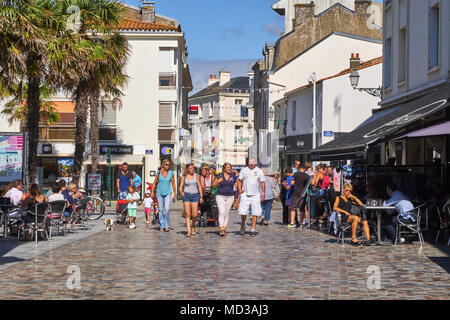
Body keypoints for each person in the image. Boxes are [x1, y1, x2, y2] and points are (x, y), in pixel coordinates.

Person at [237, 158, 265, 237]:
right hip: (245, 194)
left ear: (255, 163)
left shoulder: (259, 171)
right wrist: (239, 190)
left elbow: (262, 182)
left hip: (255, 195)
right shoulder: (244, 170)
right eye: (250, 163)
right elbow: (239, 181)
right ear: (248, 163)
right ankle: (243, 224)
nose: (251, 165)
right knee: (243, 212)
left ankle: (253, 228)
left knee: (255, 212)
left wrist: (263, 193)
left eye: (253, 163)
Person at [212, 163, 238, 236]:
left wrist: (238, 195)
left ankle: (224, 227)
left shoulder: (233, 176)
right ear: (224, 169)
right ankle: (221, 228)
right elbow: (213, 185)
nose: (229, 168)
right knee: (222, 212)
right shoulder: (220, 175)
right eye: (227, 167)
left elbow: (237, 186)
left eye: (230, 167)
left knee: (227, 212)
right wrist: (218, 181)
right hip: (220, 195)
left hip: (230, 196)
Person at [151, 159, 177, 232]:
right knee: (160, 209)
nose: (167, 166)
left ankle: (166, 225)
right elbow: (154, 182)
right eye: (166, 164)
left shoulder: (171, 173)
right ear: (162, 165)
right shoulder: (158, 173)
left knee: (167, 209)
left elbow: (173, 184)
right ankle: (162, 225)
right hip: (159, 192)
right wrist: (152, 192)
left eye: (169, 165)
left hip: (168, 192)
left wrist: (175, 194)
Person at [179, 164, 203, 237]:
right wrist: (181, 192)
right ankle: (188, 232)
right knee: (187, 214)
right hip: (187, 196)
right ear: (187, 169)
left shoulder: (196, 176)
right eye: (191, 168)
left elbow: (199, 186)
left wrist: (201, 196)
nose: (193, 169)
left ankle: (193, 226)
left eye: (193, 168)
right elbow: (180, 187)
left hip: (195, 195)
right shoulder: (184, 177)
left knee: (194, 215)